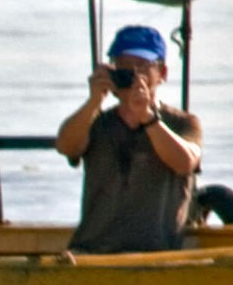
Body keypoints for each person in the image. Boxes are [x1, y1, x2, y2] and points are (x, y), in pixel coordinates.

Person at [54, 25, 204, 252]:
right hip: (93, 251)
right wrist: (94, 101)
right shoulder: (96, 123)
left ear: (161, 74)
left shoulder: (182, 123)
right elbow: (66, 146)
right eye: (123, 66)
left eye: (142, 67)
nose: (133, 75)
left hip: (157, 255)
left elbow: (184, 162)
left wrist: (147, 116)